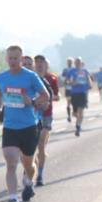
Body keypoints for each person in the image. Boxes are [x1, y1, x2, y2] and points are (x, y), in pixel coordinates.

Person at [0, 45, 48, 202]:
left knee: (28, 164)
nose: (12, 61)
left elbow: (45, 96)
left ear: (21, 59)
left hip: (28, 127)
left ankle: (28, 180)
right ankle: (13, 198)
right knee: (11, 163)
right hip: (10, 127)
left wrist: (32, 101)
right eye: (10, 58)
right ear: (6, 59)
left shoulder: (30, 76)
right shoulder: (2, 77)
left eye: (15, 58)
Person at [33, 55, 59, 186]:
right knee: (33, 149)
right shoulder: (30, 78)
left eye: (41, 62)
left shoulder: (51, 79)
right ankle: (32, 169)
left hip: (46, 115)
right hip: (32, 116)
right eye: (36, 62)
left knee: (41, 144)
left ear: (45, 64)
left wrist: (47, 99)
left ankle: (40, 175)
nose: (38, 64)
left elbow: (57, 96)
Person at [69, 57, 93, 136]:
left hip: (83, 93)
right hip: (74, 93)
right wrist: (73, 83)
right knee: (75, 113)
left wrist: (90, 84)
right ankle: (78, 120)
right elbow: (67, 81)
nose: (78, 63)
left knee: (81, 111)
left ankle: (78, 127)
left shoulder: (85, 71)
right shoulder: (72, 71)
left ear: (81, 63)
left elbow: (88, 78)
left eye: (79, 62)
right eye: (76, 62)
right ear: (74, 63)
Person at [61, 57, 75, 121]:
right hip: (68, 89)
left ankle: (74, 111)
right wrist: (65, 81)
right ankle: (69, 116)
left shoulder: (75, 69)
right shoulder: (65, 70)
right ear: (67, 63)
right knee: (68, 102)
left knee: (74, 102)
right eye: (68, 61)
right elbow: (62, 78)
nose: (69, 63)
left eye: (70, 61)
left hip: (75, 89)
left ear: (73, 62)